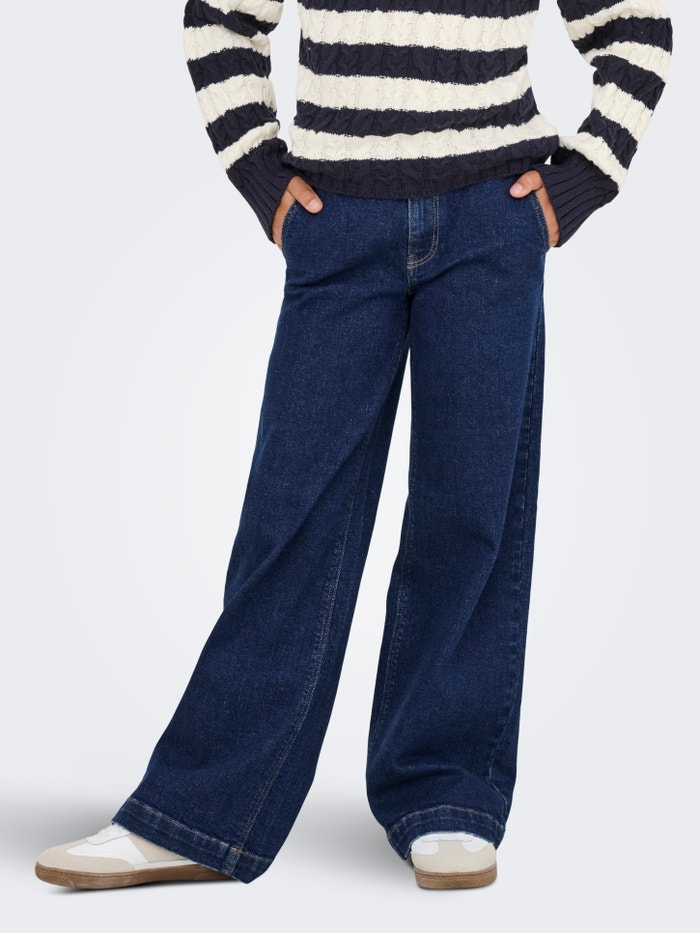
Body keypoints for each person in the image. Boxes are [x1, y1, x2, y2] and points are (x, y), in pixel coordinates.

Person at [35, 0, 672, 891]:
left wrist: (579, 185)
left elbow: (636, 26)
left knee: (470, 509)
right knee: (290, 517)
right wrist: (260, 173)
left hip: (494, 217)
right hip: (336, 219)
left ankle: (445, 791)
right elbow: (219, 19)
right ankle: (201, 810)